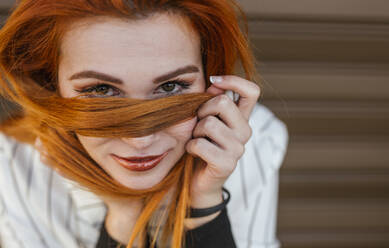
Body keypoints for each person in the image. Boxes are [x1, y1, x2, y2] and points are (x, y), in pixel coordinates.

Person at [0, 0, 289, 247]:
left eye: (171, 87)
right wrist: (124, 221)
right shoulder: (13, 164)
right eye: (100, 90)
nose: (140, 140)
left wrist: (205, 203)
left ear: (209, 74)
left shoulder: (255, 139)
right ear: (53, 85)